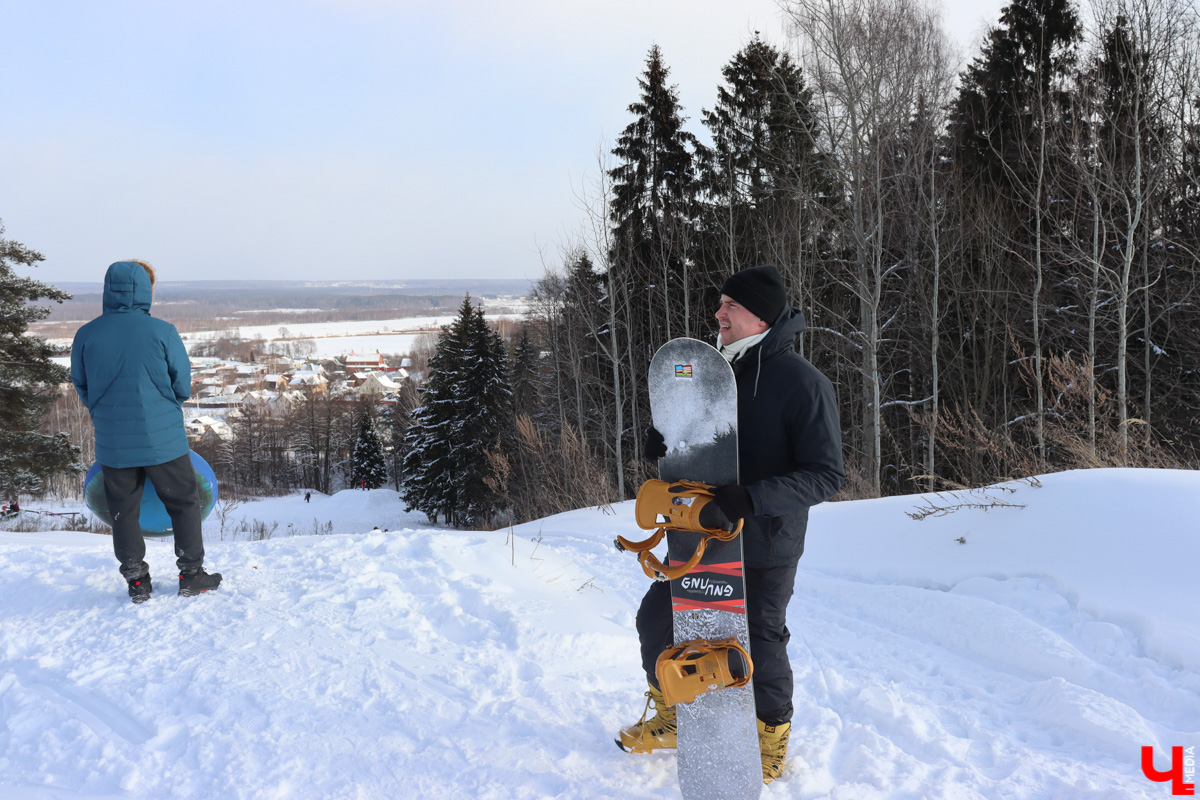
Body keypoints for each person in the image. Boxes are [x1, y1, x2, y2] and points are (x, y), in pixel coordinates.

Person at [618, 264, 845, 783]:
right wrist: (668, 442)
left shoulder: (802, 383)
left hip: (766, 538)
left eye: (730, 306)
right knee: (657, 619)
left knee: (760, 638)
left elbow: (826, 474)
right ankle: (675, 710)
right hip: (701, 536)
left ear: (760, 315)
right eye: (719, 304)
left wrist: (751, 499)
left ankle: (770, 737)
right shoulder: (713, 373)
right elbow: (701, 443)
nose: (718, 313)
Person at [71, 261, 222, 604]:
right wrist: (165, 408)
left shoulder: (86, 335)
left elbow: (82, 384)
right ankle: (191, 575)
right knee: (184, 503)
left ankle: (137, 582)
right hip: (163, 440)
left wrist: (101, 411)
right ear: (145, 290)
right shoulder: (163, 331)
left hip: (114, 444)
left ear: (108, 290)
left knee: (124, 511)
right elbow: (181, 383)